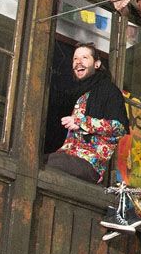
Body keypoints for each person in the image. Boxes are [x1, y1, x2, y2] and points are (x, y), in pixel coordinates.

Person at [45, 43, 129, 184]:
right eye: (75, 58)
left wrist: (81, 122)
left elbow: (119, 127)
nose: (78, 62)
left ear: (97, 64)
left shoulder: (109, 91)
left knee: (43, 163)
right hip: (67, 156)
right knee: (39, 160)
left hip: (89, 163)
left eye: (84, 57)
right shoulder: (75, 94)